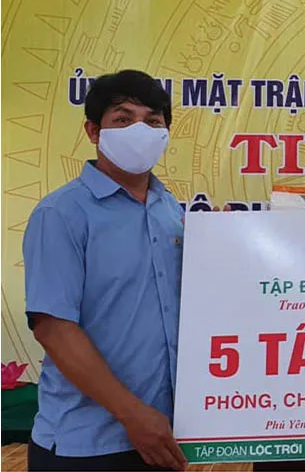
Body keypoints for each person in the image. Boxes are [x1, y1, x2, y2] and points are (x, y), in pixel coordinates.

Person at [23, 70, 188, 471]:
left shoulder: (170, 210)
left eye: (152, 121)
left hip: (160, 437)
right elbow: (53, 327)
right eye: (123, 119)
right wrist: (133, 414)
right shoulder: (61, 213)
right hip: (85, 444)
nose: (140, 131)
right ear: (94, 131)